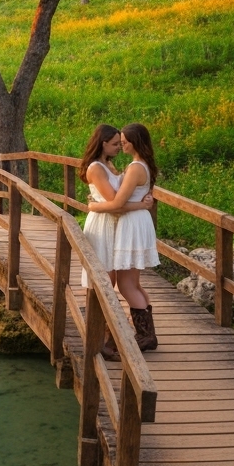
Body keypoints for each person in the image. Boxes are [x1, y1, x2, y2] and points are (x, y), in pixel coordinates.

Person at [77, 124, 155, 359]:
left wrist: (94, 204)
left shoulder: (119, 166)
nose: (119, 147)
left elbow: (118, 202)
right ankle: (105, 335)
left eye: (121, 143)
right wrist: (141, 204)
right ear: (102, 144)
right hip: (103, 226)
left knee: (117, 281)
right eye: (115, 144)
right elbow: (114, 202)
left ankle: (131, 334)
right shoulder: (97, 167)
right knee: (104, 280)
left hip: (117, 224)